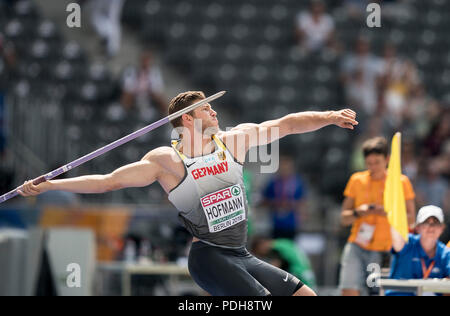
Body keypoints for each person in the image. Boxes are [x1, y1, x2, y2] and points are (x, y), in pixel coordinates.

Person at [18, 90, 359, 296]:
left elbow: (286, 124)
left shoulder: (232, 141)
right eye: (207, 108)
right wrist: (50, 184)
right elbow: (109, 181)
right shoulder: (168, 160)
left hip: (241, 253)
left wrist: (329, 116)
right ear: (188, 119)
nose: (214, 111)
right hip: (209, 257)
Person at [339, 136, 416, 296]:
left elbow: (411, 219)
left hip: (385, 250)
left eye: (377, 162)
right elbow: (344, 218)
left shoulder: (401, 182)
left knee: (378, 293)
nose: (373, 167)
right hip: (357, 245)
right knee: (348, 290)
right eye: (369, 163)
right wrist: (358, 212)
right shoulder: (357, 180)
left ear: (387, 159)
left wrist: (388, 213)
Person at [388, 205, 450, 296]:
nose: (431, 227)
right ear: (417, 227)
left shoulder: (445, 253)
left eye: (435, 223)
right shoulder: (406, 243)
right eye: (426, 222)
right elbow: (396, 236)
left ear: (442, 228)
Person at [261, 155, 307, 239]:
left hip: (291, 224)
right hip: (275, 223)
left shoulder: (297, 183)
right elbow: (264, 200)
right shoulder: (273, 182)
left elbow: (302, 201)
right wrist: (276, 203)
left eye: (287, 167)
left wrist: (291, 205)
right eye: (283, 167)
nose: (285, 170)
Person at [250, 236, 317, 289]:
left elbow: (275, 267)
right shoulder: (284, 242)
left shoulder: (275, 248)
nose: (262, 255)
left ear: (261, 245)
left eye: (259, 252)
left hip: (298, 276)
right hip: (307, 273)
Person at [120, 50, 167, 120]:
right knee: (126, 97)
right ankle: (124, 116)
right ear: (140, 61)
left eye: (147, 61)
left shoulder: (155, 73)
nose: (145, 63)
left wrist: (148, 91)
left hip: (149, 97)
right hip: (134, 96)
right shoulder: (131, 71)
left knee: (163, 101)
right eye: (144, 60)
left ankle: (164, 120)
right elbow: (127, 88)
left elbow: (157, 90)